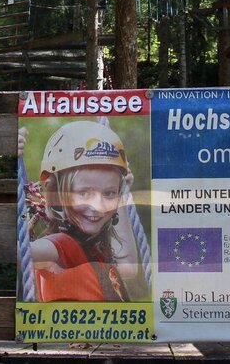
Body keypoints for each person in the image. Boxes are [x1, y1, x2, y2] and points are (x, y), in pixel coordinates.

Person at [20, 120, 147, 302]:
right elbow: (21, 253)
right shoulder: (59, 246)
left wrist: (121, 197)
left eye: (109, 193)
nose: (98, 205)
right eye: (84, 193)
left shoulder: (96, 248)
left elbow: (128, 268)